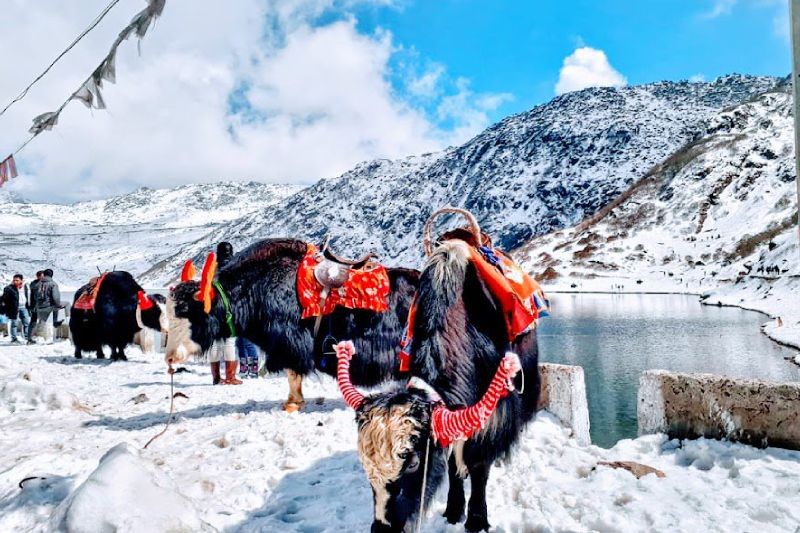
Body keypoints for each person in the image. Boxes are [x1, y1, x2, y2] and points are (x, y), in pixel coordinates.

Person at [205, 242, 242, 385]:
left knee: (214, 343)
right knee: (230, 342)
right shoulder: (235, 266)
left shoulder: (212, 267)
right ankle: (230, 377)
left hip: (212, 307)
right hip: (229, 308)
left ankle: (216, 377)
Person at [35, 268, 62, 345]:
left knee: (42, 321)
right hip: (49, 305)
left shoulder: (38, 284)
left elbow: (34, 296)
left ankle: (40, 338)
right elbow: (56, 297)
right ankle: (53, 336)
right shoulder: (53, 284)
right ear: (52, 275)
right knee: (56, 311)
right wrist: (58, 305)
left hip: (39, 306)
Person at [2, 274, 31, 344]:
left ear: (21, 280)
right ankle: (14, 338)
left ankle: (27, 337)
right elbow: (4, 296)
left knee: (26, 322)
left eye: (17, 280)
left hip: (24, 307)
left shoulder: (25, 287)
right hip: (14, 308)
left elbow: (28, 295)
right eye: (14, 280)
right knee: (14, 323)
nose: (15, 282)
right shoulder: (10, 288)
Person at [27, 271, 43, 344]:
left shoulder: (33, 283)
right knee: (33, 322)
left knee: (34, 322)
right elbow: (33, 296)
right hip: (37, 306)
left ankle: (30, 338)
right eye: (40, 276)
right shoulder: (35, 284)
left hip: (37, 306)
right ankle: (30, 338)